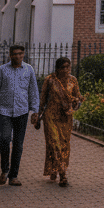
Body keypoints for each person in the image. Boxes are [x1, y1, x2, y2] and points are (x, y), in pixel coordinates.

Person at [0, 44, 39, 186]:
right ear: (10, 55)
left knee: (18, 144)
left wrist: (35, 111)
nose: (18, 56)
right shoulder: (2, 70)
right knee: (4, 139)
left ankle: (13, 176)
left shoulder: (29, 69)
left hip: (22, 111)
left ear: (23, 54)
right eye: (15, 54)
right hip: (5, 111)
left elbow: (33, 91)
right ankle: (5, 170)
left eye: (20, 53)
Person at [38, 57, 82, 187]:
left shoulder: (73, 80)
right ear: (57, 69)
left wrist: (75, 103)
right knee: (54, 144)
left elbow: (78, 97)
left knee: (64, 145)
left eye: (68, 67)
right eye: (63, 67)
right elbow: (43, 99)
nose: (66, 70)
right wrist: (38, 115)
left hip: (66, 117)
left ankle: (54, 168)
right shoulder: (50, 80)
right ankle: (62, 174)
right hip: (51, 116)